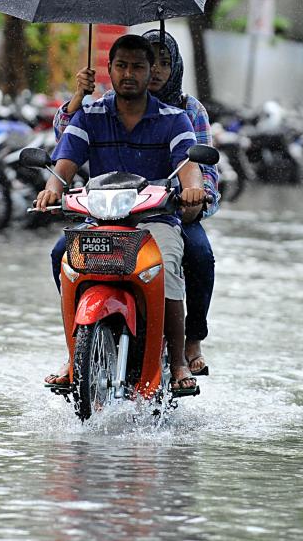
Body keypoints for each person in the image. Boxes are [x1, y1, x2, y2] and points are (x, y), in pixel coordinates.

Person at [34, 34, 205, 394]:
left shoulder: (176, 119)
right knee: (61, 258)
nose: (129, 73)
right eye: (122, 66)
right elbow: (65, 161)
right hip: (101, 218)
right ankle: (72, 355)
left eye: (138, 67)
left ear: (151, 72)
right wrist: (52, 187)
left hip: (155, 219)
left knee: (169, 265)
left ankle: (176, 362)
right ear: (108, 70)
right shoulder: (92, 114)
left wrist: (193, 188)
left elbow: (189, 163)